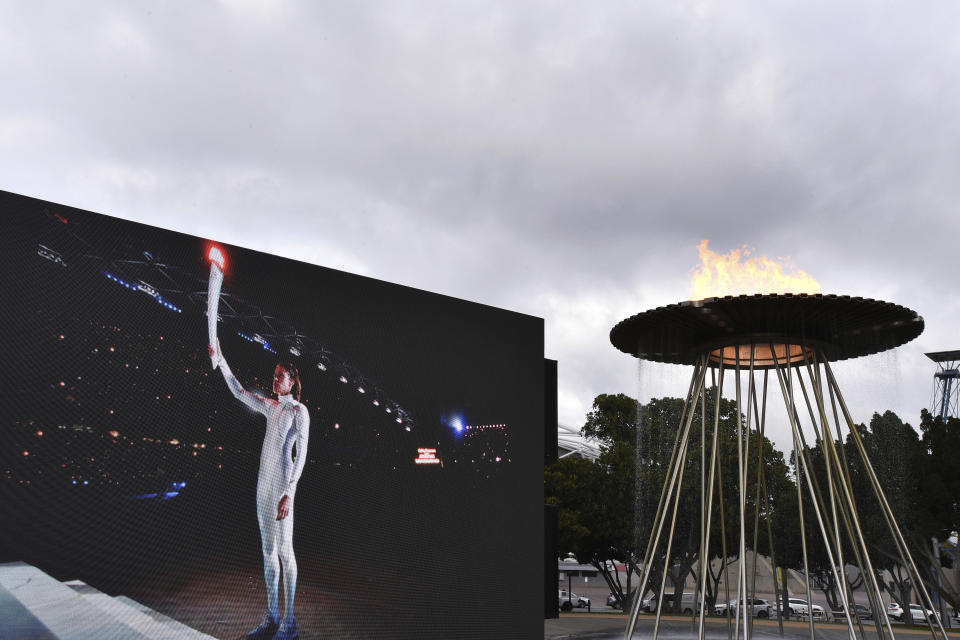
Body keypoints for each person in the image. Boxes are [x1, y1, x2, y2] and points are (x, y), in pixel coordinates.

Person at [209, 340, 310, 640]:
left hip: (281, 490)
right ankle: (272, 616)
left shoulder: (299, 411)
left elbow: (301, 454)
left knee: (284, 552)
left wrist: (289, 492)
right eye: (274, 374)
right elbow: (240, 392)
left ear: (292, 382)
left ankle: (289, 623)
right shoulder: (270, 406)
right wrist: (222, 360)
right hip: (262, 489)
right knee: (268, 552)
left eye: (281, 375)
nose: (275, 379)